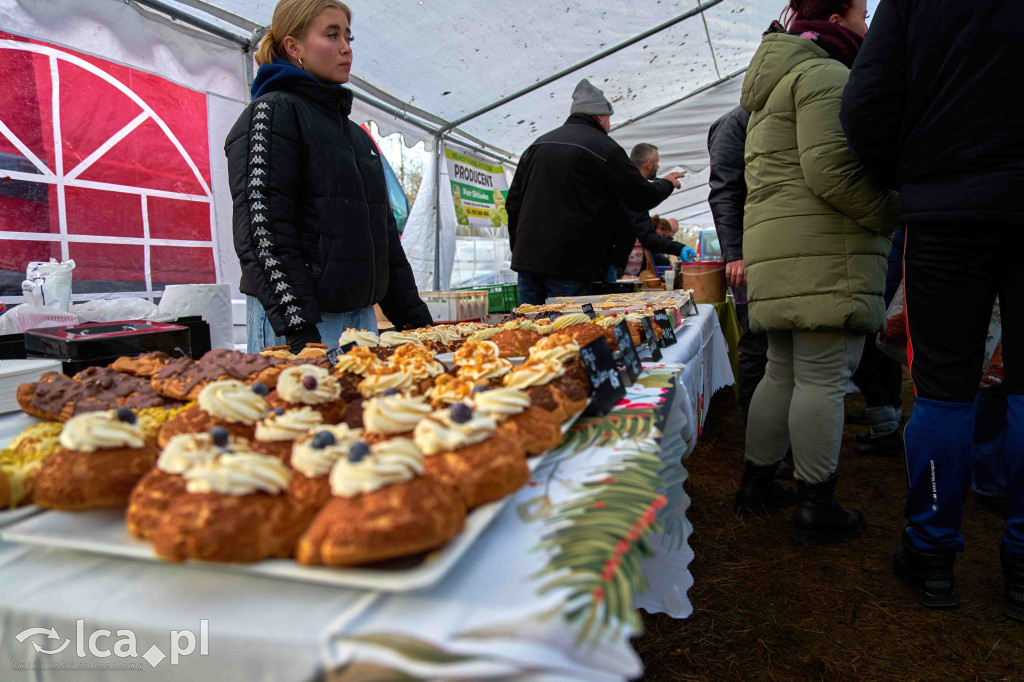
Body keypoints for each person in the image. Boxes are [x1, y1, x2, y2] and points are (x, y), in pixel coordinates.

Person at [841, 0, 1023, 616]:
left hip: (949, 209)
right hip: (964, 198)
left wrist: (916, 177)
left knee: (945, 385)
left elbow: (865, 107)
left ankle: (932, 554)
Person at [733, 1, 897, 543]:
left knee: (782, 372)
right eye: (862, 11)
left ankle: (757, 485)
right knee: (823, 379)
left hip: (782, 249)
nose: (868, 24)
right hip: (825, 248)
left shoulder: (777, 79)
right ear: (839, 14)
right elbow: (831, 170)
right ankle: (815, 504)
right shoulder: (824, 73)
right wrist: (891, 214)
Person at [226, 0, 431, 354]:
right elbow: (262, 231)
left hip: (362, 319)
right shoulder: (272, 113)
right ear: (294, 46)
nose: (345, 48)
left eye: (348, 37)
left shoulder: (356, 136)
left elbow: (384, 240)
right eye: (331, 35)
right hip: (301, 324)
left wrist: (414, 318)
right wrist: (300, 330)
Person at [506, 80, 683, 305]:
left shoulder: (536, 146)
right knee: (570, 335)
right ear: (599, 116)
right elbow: (640, 196)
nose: (610, 123)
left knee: (529, 333)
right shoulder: (603, 147)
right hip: (571, 265)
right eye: (609, 118)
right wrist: (667, 182)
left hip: (528, 264)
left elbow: (513, 205)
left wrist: (520, 250)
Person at [707, 105, 770, 427]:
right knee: (758, 346)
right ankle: (759, 436)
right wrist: (735, 253)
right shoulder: (735, 122)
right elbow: (725, 191)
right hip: (753, 257)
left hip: (778, 251)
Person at [607, 144, 698, 280]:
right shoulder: (632, 192)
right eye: (657, 162)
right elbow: (648, 237)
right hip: (606, 267)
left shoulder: (623, 183)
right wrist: (679, 248)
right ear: (649, 164)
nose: (658, 167)